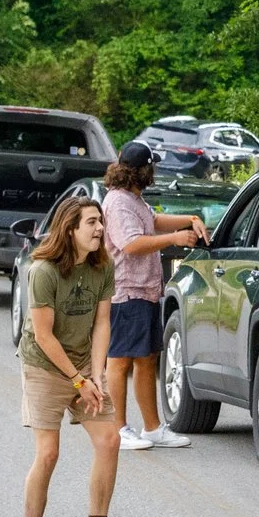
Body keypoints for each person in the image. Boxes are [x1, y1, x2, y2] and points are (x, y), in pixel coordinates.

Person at [19, 197, 134, 517]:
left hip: (83, 364)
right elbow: (43, 335)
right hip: (45, 366)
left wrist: (96, 375)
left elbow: (102, 322)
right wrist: (76, 380)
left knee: (109, 440)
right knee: (49, 452)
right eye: (91, 222)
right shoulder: (44, 271)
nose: (100, 228)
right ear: (70, 229)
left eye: (100, 221)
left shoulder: (103, 267)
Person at [101, 141, 210, 452]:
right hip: (126, 291)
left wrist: (189, 219)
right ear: (143, 170)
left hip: (145, 290)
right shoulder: (119, 203)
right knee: (120, 361)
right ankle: (118, 428)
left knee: (147, 360)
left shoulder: (135, 200)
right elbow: (131, 244)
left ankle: (152, 428)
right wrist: (174, 239)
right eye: (153, 166)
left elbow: (154, 222)